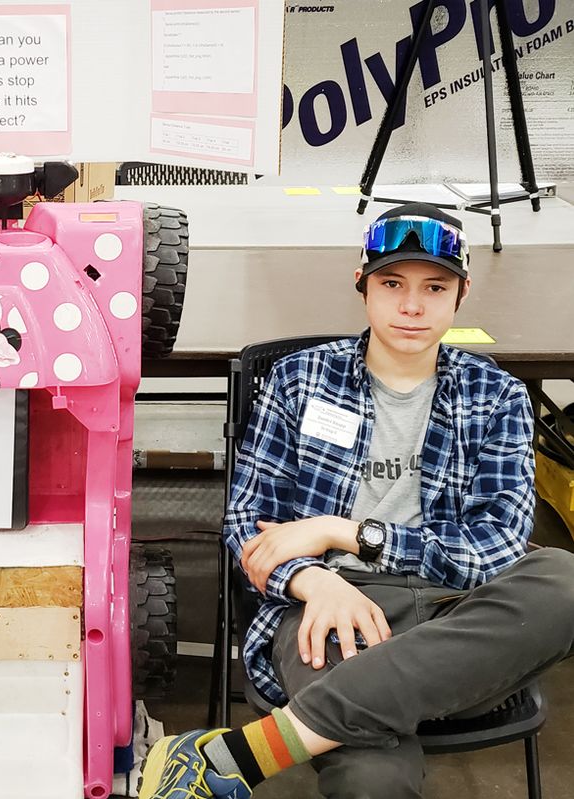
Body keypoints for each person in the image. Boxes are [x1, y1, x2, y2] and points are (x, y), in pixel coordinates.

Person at [139, 203, 574, 799]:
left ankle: (243, 753)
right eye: (392, 284)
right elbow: (246, 525)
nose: (412, 306)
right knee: (373, 776)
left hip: (456, 612)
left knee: (564, 578)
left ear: (461, 293)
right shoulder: (298, 380)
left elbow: (494, 551)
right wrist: (315, 580)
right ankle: (368, 704)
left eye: (434, 287)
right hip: (331, 611)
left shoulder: (494, 395)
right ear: (362, 286)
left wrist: (343, 531)